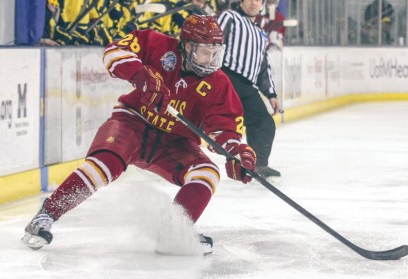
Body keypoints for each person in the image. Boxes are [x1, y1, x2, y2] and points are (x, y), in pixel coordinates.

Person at [21, 14, 257, 255]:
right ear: (186, 45)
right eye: (204, 51)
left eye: (215, 52)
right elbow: (114, 52)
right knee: (104, 165)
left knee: (207, 172)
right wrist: (141, 74)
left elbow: (225, 128)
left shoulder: (219, 84)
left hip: (176, 142)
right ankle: (47, 214)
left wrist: (235, 152)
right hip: (132, 122)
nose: (210, 59)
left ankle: (173, 232)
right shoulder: (156, 43)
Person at [218, 0, 281, 179]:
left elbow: (263, 66)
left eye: (258, 0)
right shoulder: (230, 17)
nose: (254, 3)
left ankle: (258, 165)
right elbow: (214, 43)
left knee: (264, 123)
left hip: (246, 86)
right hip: (227, 78)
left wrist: (271, 93)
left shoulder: (260, 34)